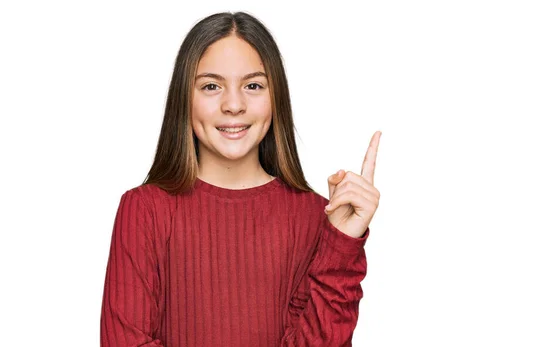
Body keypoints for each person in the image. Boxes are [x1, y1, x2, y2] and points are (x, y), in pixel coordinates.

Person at [100, 11, 381, 347]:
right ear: (184, 99)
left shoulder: (317, 217)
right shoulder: (144, 210)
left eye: (252, 85)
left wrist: (342, 242)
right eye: (211, 86)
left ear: (275, 98)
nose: (234, 105)